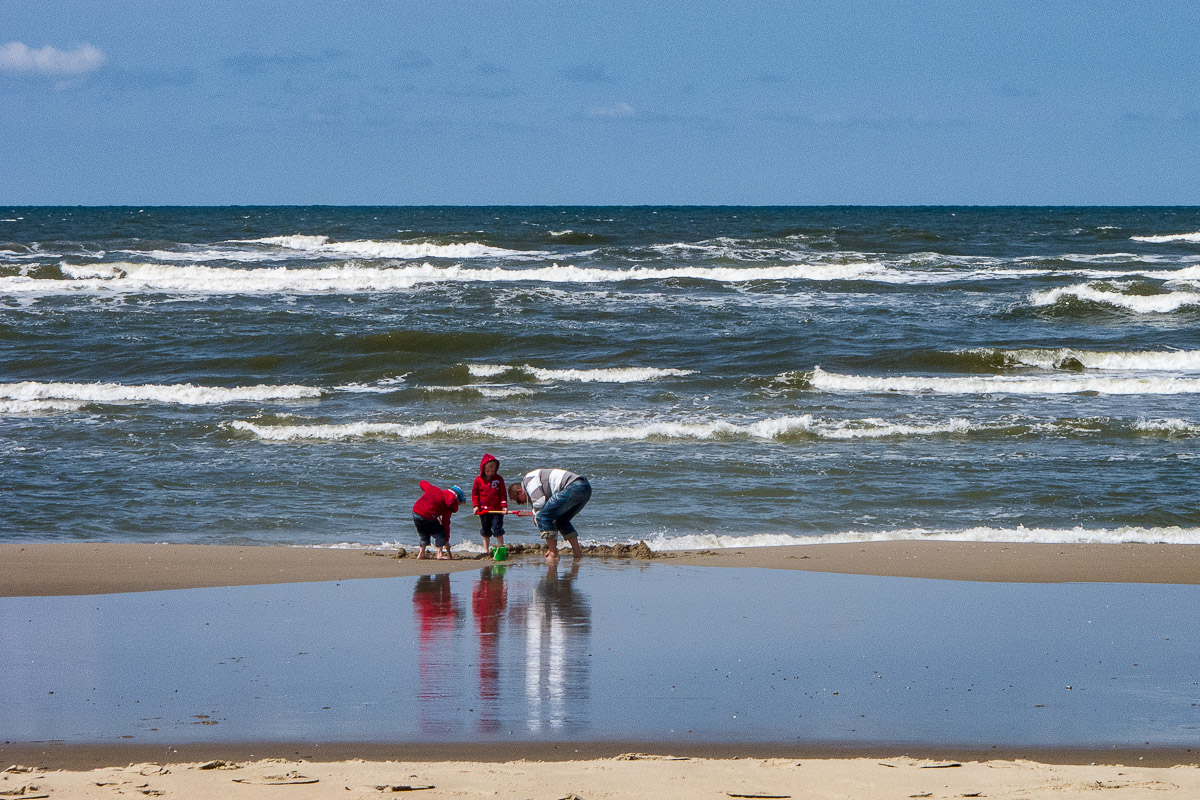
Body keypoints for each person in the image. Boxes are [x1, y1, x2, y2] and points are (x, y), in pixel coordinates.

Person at [508, 468, 591, 561]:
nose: (520, 503)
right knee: (561, 520)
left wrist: (536, 514)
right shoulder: (536, 486)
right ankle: (577, 553)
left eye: (518, 500)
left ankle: (553, 553)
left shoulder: (528, 480)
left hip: (573, 486)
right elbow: (550, 520)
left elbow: (539, 502)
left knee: (541, 517)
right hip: (585, 488)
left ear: (520, 491)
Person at [412, 480, 465, 560]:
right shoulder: (449, 507)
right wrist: (446, 540)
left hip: (416, 512)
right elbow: (445, 524)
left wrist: (428, 491)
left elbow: (422, 482)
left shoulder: (434, 489)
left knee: (424, 533)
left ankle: (421, 553)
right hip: (429, 514)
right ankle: (439, 554)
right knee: (440, 532)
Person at [471, 453, 507, 552]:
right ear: (483, 469)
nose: (490, 473)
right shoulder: (478, 480)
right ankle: (486, 549)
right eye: (487, 471)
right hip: (484, 510)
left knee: (497, 528)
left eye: (492, 471)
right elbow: (475, 494)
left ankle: (500, 547)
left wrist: (504, 506)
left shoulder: (499, 479)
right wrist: (476, 506)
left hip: (497, 510)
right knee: (485, 529)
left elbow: (503, 493)